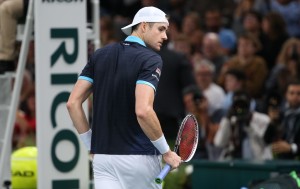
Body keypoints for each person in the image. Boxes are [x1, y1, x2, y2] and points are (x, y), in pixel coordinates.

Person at [66, 6, 181, 189]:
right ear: (143, 26)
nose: (165, 36)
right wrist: (166, 152)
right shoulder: (151, 59)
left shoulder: (100, 55)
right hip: (139, 159)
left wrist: (90, 145)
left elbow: (73, 103)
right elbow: (143, 111)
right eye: (161, 29)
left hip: (103, 159)